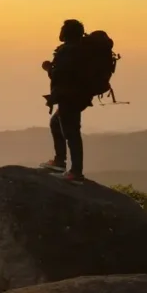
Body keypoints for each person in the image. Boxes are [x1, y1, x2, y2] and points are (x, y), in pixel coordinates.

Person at [38, 19, 92, 181]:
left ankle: (75, 172)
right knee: (57, 123)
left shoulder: (69, 51)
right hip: (77, 96)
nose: (60, 31)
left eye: (62, 28)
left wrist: (48, 68)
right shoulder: (80, 50)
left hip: (69, 97)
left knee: (71, 132)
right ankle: (60, 161)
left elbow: (60, 75)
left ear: (68, 33)